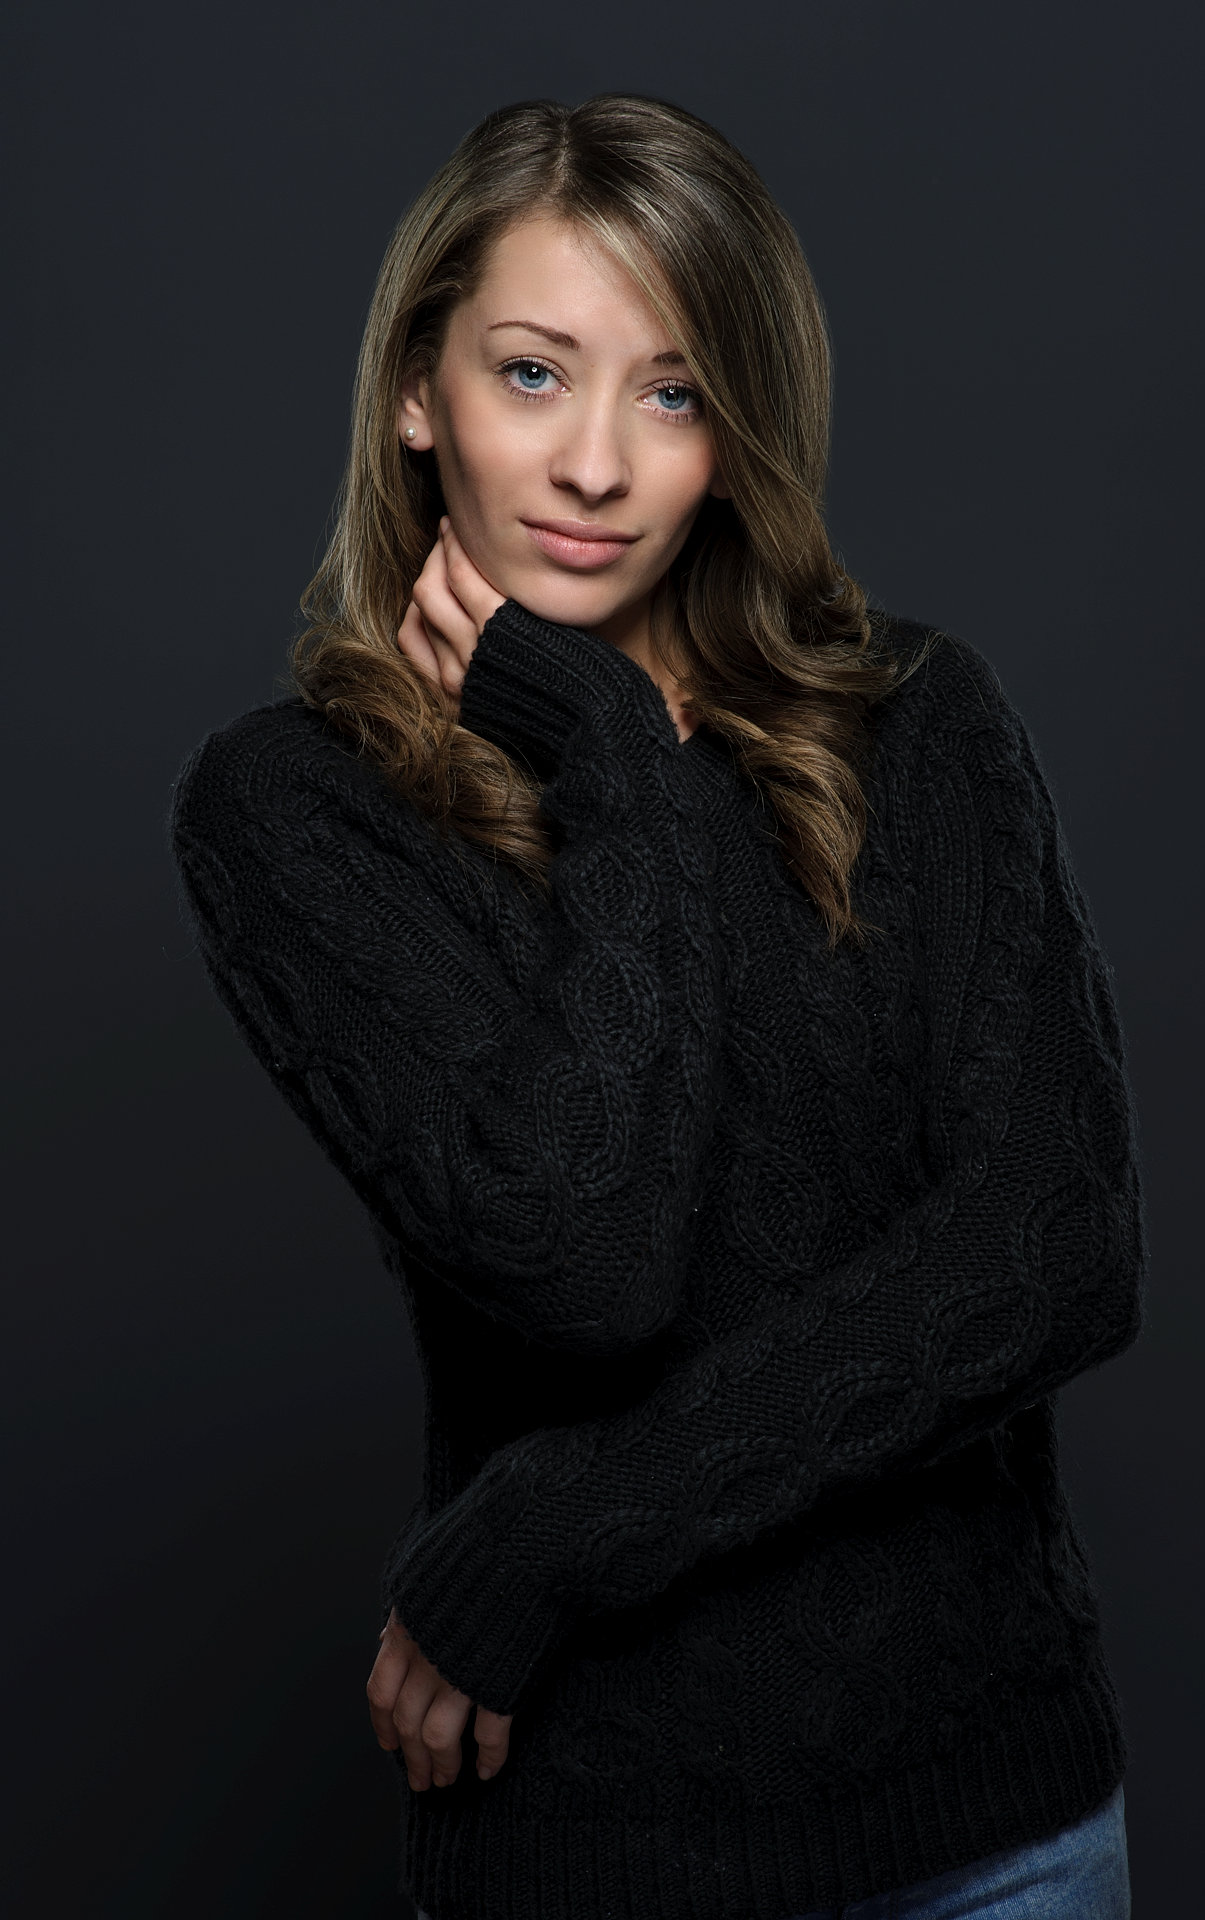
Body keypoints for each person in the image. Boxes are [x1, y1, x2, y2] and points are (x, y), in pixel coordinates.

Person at [169, 93, 1146, 1920]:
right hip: (599, 1854)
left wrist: (559, 1531)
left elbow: (1054, 1246)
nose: (597, 466)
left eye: (675, 394)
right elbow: (587, 1260)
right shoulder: (303, 811)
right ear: (420, 391)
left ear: (737, 433)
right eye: (533, 374)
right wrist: (611, 755)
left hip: (994, 1832)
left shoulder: (918, 720)